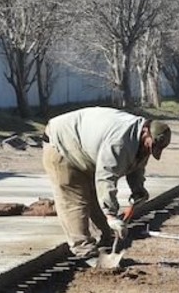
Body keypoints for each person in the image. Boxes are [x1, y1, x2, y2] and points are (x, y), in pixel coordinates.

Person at [41, 107, 171, 260]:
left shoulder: (141, 139)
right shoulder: (119, 142)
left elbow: (137, 164)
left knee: (97, 196)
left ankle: (105, 241)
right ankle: (84, 249)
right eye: (151, 147)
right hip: (61, 145)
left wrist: (138, 188)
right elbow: (106, 178)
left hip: (83, 151)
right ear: (145, 133)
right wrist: (111, 216)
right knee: (76, 200)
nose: (150, 151)